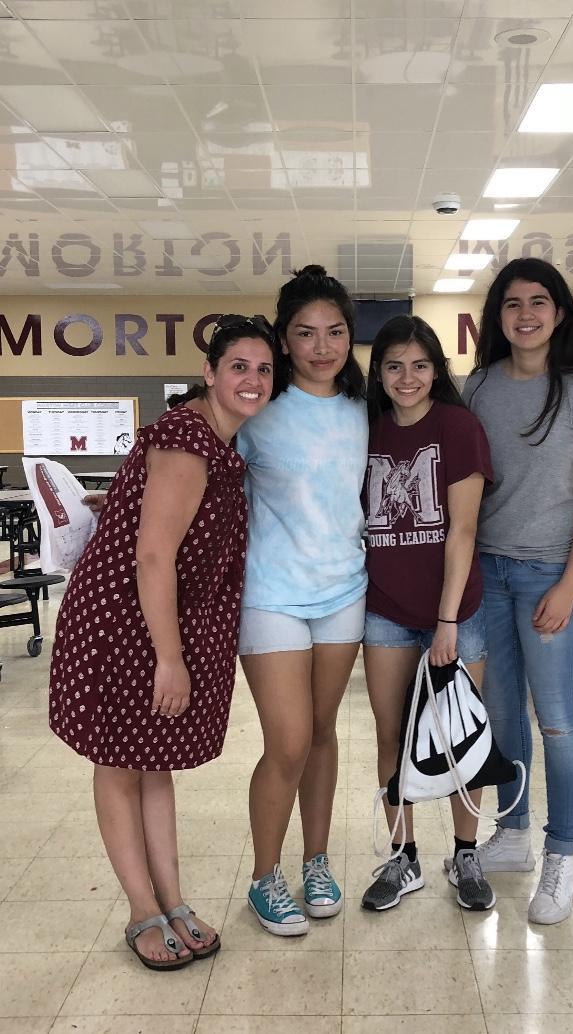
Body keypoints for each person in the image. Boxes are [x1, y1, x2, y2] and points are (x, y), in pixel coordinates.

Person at [48, 314, 278, 969]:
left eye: (264, 369)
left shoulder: (214, 439)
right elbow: (153, 557)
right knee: (120, 764)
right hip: (126, 626)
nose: (253, 380)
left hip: (153, 619)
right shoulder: (187, 440)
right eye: (238, 366)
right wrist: (170, 659)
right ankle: (140, 910)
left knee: (153, 761)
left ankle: (172, 900)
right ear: (210, 372)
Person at [460, 257, 573, 924]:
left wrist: (569, 583)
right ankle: (514, 831)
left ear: (559, 313)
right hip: (489, 574)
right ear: (497, 316)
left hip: (549, 576)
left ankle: (562, 854)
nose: (524, 314)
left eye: (537, 302)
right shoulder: (478, 387)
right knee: (502, 715)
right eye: (511, 303)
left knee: (556, 720)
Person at [236, 265, 368, 936]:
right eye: (306, 332)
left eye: (335, 331)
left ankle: (316, 861)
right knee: (287, 742)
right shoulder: (257, 409)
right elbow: (199, 469)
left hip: (344, 590)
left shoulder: (365, 409)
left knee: (321, 732)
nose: (322, 346)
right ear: (283, 339)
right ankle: (265, 875)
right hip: (271, 595)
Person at [359, 314, 495, 912]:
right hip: (385, 610)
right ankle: (403, 856)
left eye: (419, 365)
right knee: (391, 734)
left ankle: (466, 853)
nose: (407, 377)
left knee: (461, 736)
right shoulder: (369, 431)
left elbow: (462, 530)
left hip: (456, 612)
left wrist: (446, 621)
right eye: (394, 366)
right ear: (378, 373)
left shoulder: (458, 427)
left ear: (437, 370)